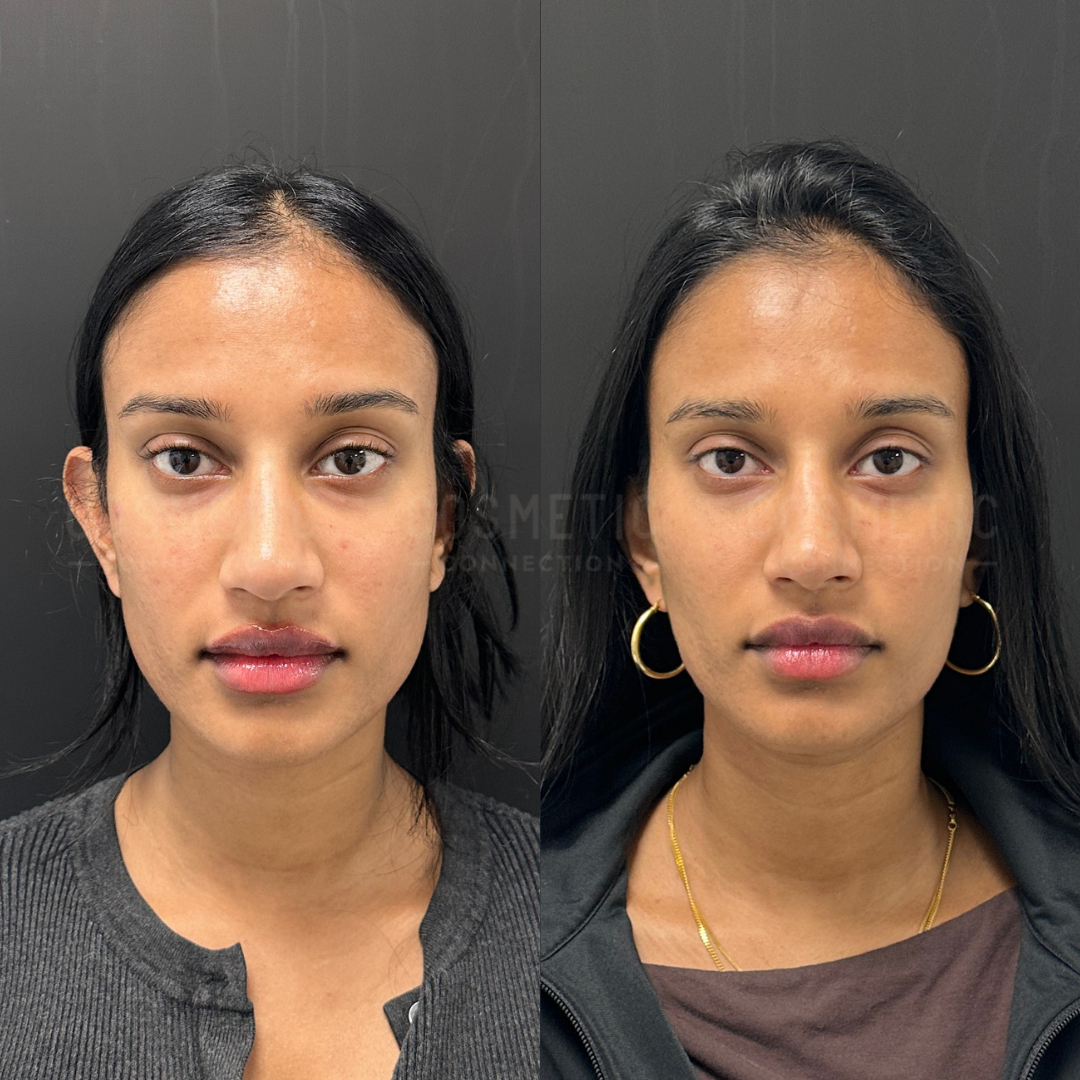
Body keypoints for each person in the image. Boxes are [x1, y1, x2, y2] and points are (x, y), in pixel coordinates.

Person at [541, 141, 1080, 1079]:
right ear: (643, 542)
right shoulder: (502, 981)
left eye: (888, 459)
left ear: (977, 543)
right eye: (731, 459)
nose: (812, 556)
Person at [0, 164, 538, 1080]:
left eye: (352, 457)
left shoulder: (585, 936)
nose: (270, 565)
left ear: (446, 518)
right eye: (183, 457)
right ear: (100, 520)